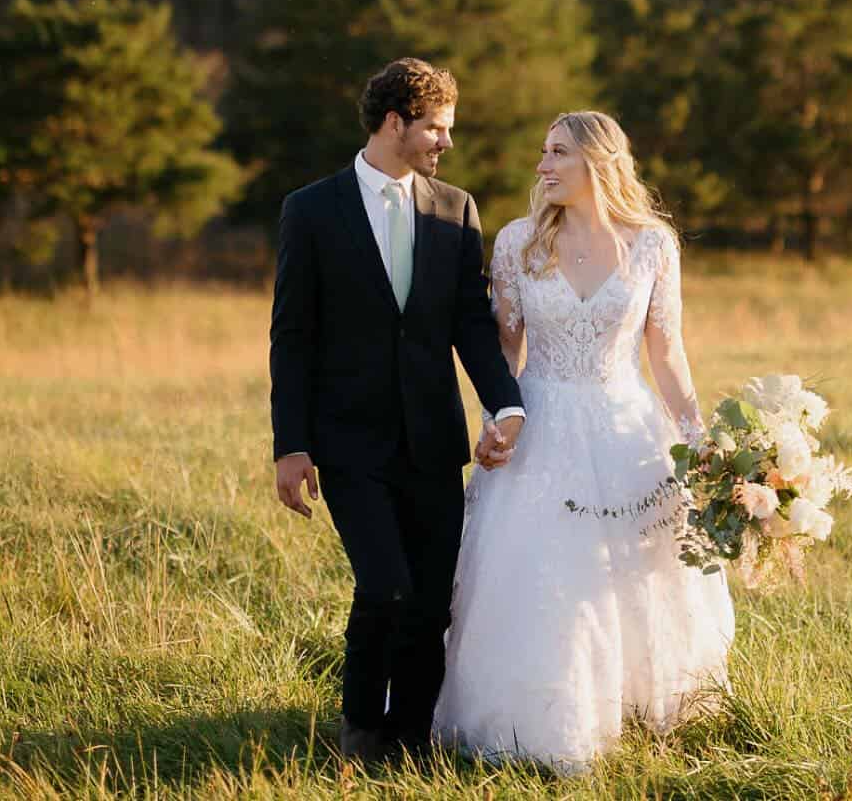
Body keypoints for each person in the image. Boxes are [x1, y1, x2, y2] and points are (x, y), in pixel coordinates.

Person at [432, 110, 735, 769]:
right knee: (541, 576)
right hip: (538, 426)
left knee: (630, 575)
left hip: (628, 428)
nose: (542, 166)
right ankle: (534, 726)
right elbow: (503, 354)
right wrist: (496, 422)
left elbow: (668, 353)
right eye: (543, 152)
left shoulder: (654, 245)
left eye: (557, 153)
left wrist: (698, 439)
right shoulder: (518, 243)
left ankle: (636, 712)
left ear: (598, 161)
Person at [268, 57, 525, 766]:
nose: (445, 142)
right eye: (435, 128)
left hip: (432, 442)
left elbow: (471, 324)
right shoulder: (311, 210)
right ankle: (358, 733)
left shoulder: (456, 209)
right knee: (383, 585)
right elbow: (291, 337)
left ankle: (412, 739)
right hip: (347, 444)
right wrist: (291, 446)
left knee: (431, 602)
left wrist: (505, 401)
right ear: (393, 123)